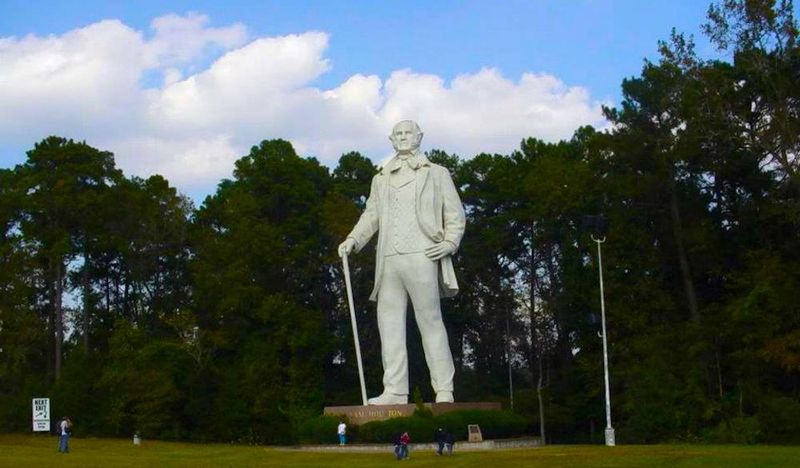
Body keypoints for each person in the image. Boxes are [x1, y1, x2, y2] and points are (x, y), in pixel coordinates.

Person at [338, 120, 466, 405]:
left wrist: (450, 242)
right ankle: (395, 390)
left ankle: (444, 389)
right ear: (391, 139)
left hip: (422, 254)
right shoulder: (381, 178)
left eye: (408, 133)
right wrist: (353, 240)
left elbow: (455, 213)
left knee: (430, 320)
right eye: (398, 134)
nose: (404, 137)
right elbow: (371, 215)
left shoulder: (437, 173)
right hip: (389, 259)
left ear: (419, 137)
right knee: (389, 325)